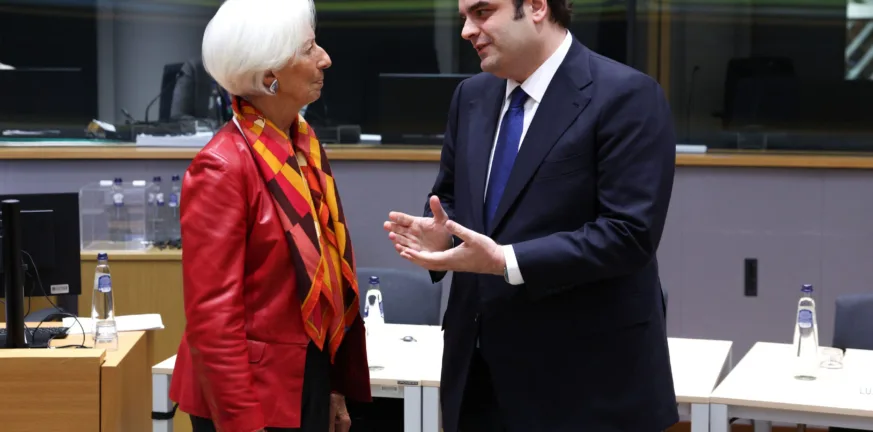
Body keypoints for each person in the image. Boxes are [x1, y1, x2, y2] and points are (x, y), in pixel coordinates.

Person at [383, 0, 678, 430]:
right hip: (478, 378)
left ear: (537, 6)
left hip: (585, 386)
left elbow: (629, 233)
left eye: (482, 12)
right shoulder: (471, 96)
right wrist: (442, 235)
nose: (467, 30)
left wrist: (506, 260)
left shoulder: (626, 95)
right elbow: (451, 196)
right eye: (464, 17)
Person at [169, 0, 371, 431]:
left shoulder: (303, 145)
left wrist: (333, 386)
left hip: (303, 375)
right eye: (309, 49)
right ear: (268, 78)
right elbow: (213, 323)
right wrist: (242, 423)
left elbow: (324, 284)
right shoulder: (222, 167)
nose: (325, 59)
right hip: (248, 397)